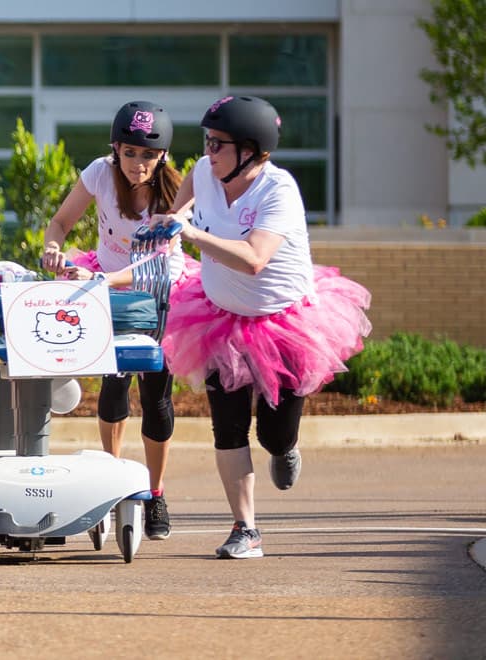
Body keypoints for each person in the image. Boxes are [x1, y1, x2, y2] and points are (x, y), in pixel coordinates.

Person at [154, 96, 370, 559]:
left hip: (283, 321)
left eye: (218, 144)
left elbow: (254, 259)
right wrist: (172, 218)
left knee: (272, 432)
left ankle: (285, 445)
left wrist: (190, 234)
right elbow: (184, 196)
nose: (208, 152)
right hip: (216, 316)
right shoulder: (204, 174)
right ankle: (245, 528)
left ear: (251, 150)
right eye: (206, 141)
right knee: (227, 427)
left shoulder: (278, 190)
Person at [40, 101, 192, 541]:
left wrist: (102, 278)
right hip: (105, 287)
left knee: (156, 394)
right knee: (112, 387)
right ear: (115, 150)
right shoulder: (99, 174)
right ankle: (113, 486)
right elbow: (61, 221)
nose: (137, 164)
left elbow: (157, 265)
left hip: (158, 294)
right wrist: (55, 249)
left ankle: (155, 493)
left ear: (161, 155)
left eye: (147, 155)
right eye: (129, 153)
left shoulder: (173, 193)